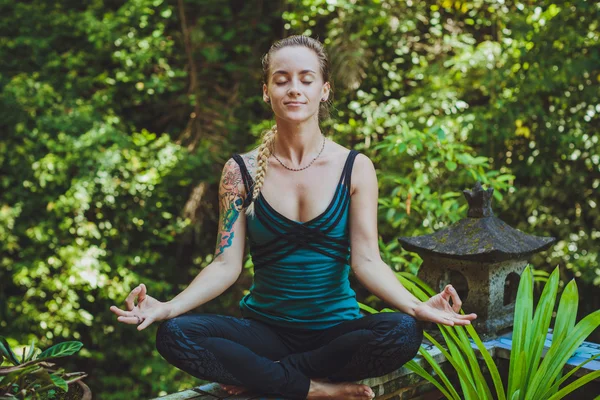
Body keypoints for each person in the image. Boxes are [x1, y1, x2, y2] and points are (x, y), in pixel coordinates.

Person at [109, 35, 477, 400]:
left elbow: (367, 262)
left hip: (335, 336)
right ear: (267, 91)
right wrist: (168, 307)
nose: (294, 89)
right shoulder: (241, 171)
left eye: (306, 78)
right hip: (265, 335)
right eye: (281, 79)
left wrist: (416, 306)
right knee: (174, 334)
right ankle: (309, 387)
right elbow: (225, 264)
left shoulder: (355, 168)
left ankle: (276, 378)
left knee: (403, 331)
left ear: (325, 90)